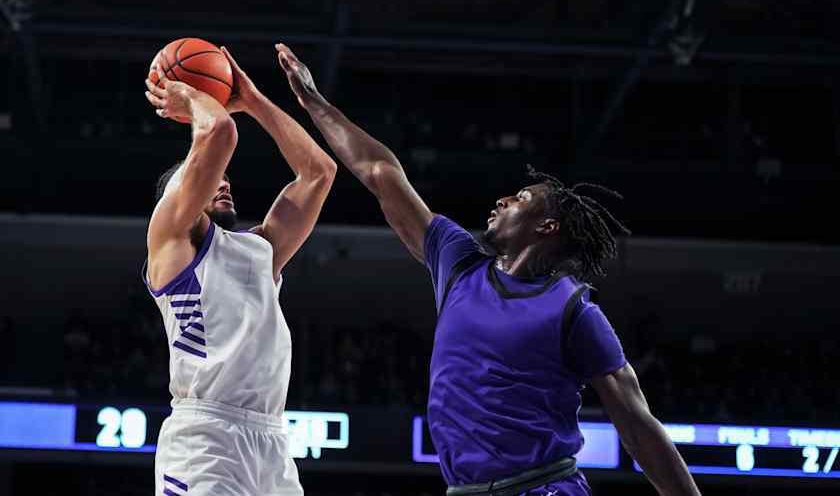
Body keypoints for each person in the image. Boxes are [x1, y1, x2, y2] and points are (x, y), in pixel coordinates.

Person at [274, 43, 701, 496]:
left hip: (544, 489)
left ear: (547, 226)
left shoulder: (573, 309)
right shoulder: (459, 263)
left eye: (521, 198)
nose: (502, 200)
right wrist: (315, 103)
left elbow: (638, 426)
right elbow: (380, 171)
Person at [142, 44, 337, 496]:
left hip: (271, 439)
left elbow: (319, 173)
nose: (224, 181)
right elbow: (219, 133)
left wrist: (252, 100)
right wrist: (189, 95)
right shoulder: (172, 239)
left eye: (227, 178)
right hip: (205, 436)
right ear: (180, 195)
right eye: (213, 180)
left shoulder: (261, 249)